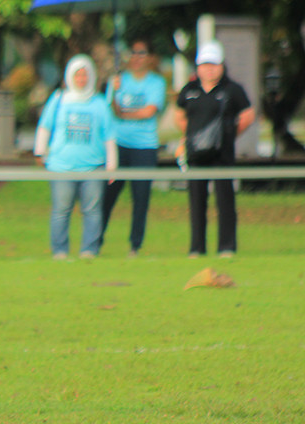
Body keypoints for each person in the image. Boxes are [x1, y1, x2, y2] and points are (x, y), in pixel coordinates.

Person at [175, 41, 255, 258]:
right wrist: (191, 137)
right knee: (196, 202)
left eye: (214, 64)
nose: (209, 69)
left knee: (225, 201)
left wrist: (229, 135)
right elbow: (179, 114)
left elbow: (248, 114)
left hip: (222, 155)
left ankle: (226, 247)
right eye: (205, 64)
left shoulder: (232, 89)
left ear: (221, 66)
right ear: (198, 67)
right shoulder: (190, 90)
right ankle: (197, 247)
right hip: (196, 155)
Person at [34, 54, 117, 260]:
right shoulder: (59, 99)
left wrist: (112, 165)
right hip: (62, 166)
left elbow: (109, 135)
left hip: (93, 167)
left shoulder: (99, 102)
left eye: (85, 75)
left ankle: (89, 249)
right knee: (61, 210)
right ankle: (60, 251)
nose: (81, 79)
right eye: (77, 75)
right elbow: (45, 126)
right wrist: (40, 150)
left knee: (92, 211)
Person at [101, 38, 167, 257]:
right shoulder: (118, 80)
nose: (137, 57)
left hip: (144, 147)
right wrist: (114, 92)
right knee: (107, 195)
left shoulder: (156, 82)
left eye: (142, 53)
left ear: (150, 57)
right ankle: (95, 241)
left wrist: (125, 114)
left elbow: (149, 111)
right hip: (119, 145)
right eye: (134, 52)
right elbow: (110, 111)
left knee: (141, 197)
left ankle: (135, 245)